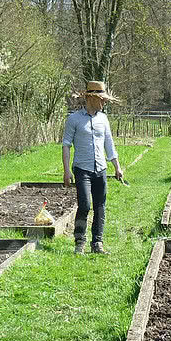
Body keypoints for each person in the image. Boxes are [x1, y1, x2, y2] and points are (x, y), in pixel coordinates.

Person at [62, 81, 124, 254]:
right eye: (102, 100)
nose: (104, 103)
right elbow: (66, 145)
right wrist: (67, 171)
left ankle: (97, 243)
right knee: (84, 205)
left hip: (101, 169)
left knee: (100, 206)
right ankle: (79, 242)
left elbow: (109, 144)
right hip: (82, 169)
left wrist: (117, 167)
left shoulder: (103, 119)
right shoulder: (74, 119)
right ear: (92, 98)